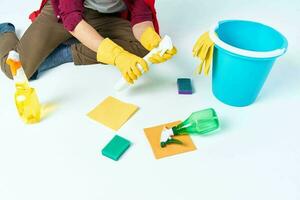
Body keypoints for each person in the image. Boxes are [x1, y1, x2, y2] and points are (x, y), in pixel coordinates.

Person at [0, 0, 176, 83]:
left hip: (103, 18)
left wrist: (150, 39)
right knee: (15, 69)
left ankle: (67, 52)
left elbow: (140, 16)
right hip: (63, 15)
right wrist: (116, 56)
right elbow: (72, 21)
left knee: (143, 49)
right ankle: (4, 31)